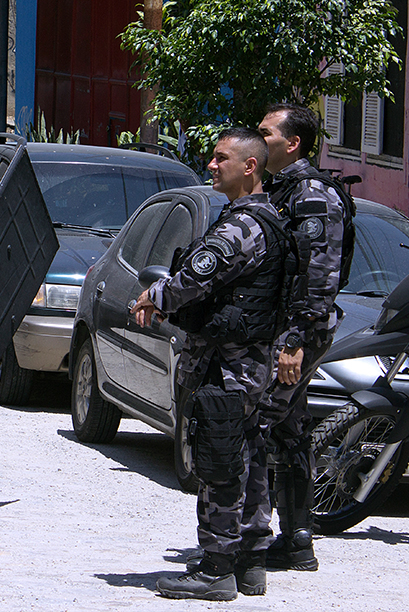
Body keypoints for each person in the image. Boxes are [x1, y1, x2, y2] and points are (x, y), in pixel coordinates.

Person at [132, 128, 287, 601]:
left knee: (220, 459)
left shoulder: (242, 225)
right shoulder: (270, 219)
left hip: (228, 363)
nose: (212, 166)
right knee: (249, 454)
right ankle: (249, 562)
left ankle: (216, 569)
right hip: (250, 361)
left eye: (222, 159)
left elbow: (193, 278)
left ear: (250, 167)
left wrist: (152, 298)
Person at [257, 102, 354, 571]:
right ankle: (297, 540)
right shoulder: (281, 189)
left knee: (252, 425)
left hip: (297, 332)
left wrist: (294, 340)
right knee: (289, 430)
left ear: (292, 143)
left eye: (266, 132)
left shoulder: (312, 195)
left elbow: (318, 276)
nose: (258, 140)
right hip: (284, 327)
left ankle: (244, 540)